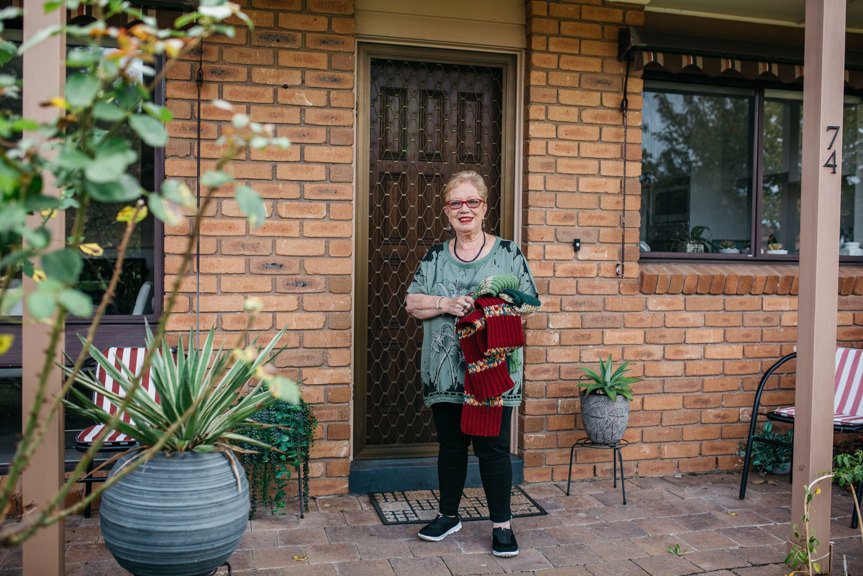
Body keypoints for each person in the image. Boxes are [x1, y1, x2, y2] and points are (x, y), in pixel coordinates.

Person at [405, 170, 538, 558]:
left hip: (493, 374)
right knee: (450, 446)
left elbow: (530, 305)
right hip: (445, 372)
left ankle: (502, 525)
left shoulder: (508, 254)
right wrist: (445, 304)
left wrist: (489, 301)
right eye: (455, 203)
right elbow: (413, 303)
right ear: (446, 210)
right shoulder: (434, 257)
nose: (464, 209)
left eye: (471, 202)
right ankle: (449, 516)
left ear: (484, 206)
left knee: (493, 450)